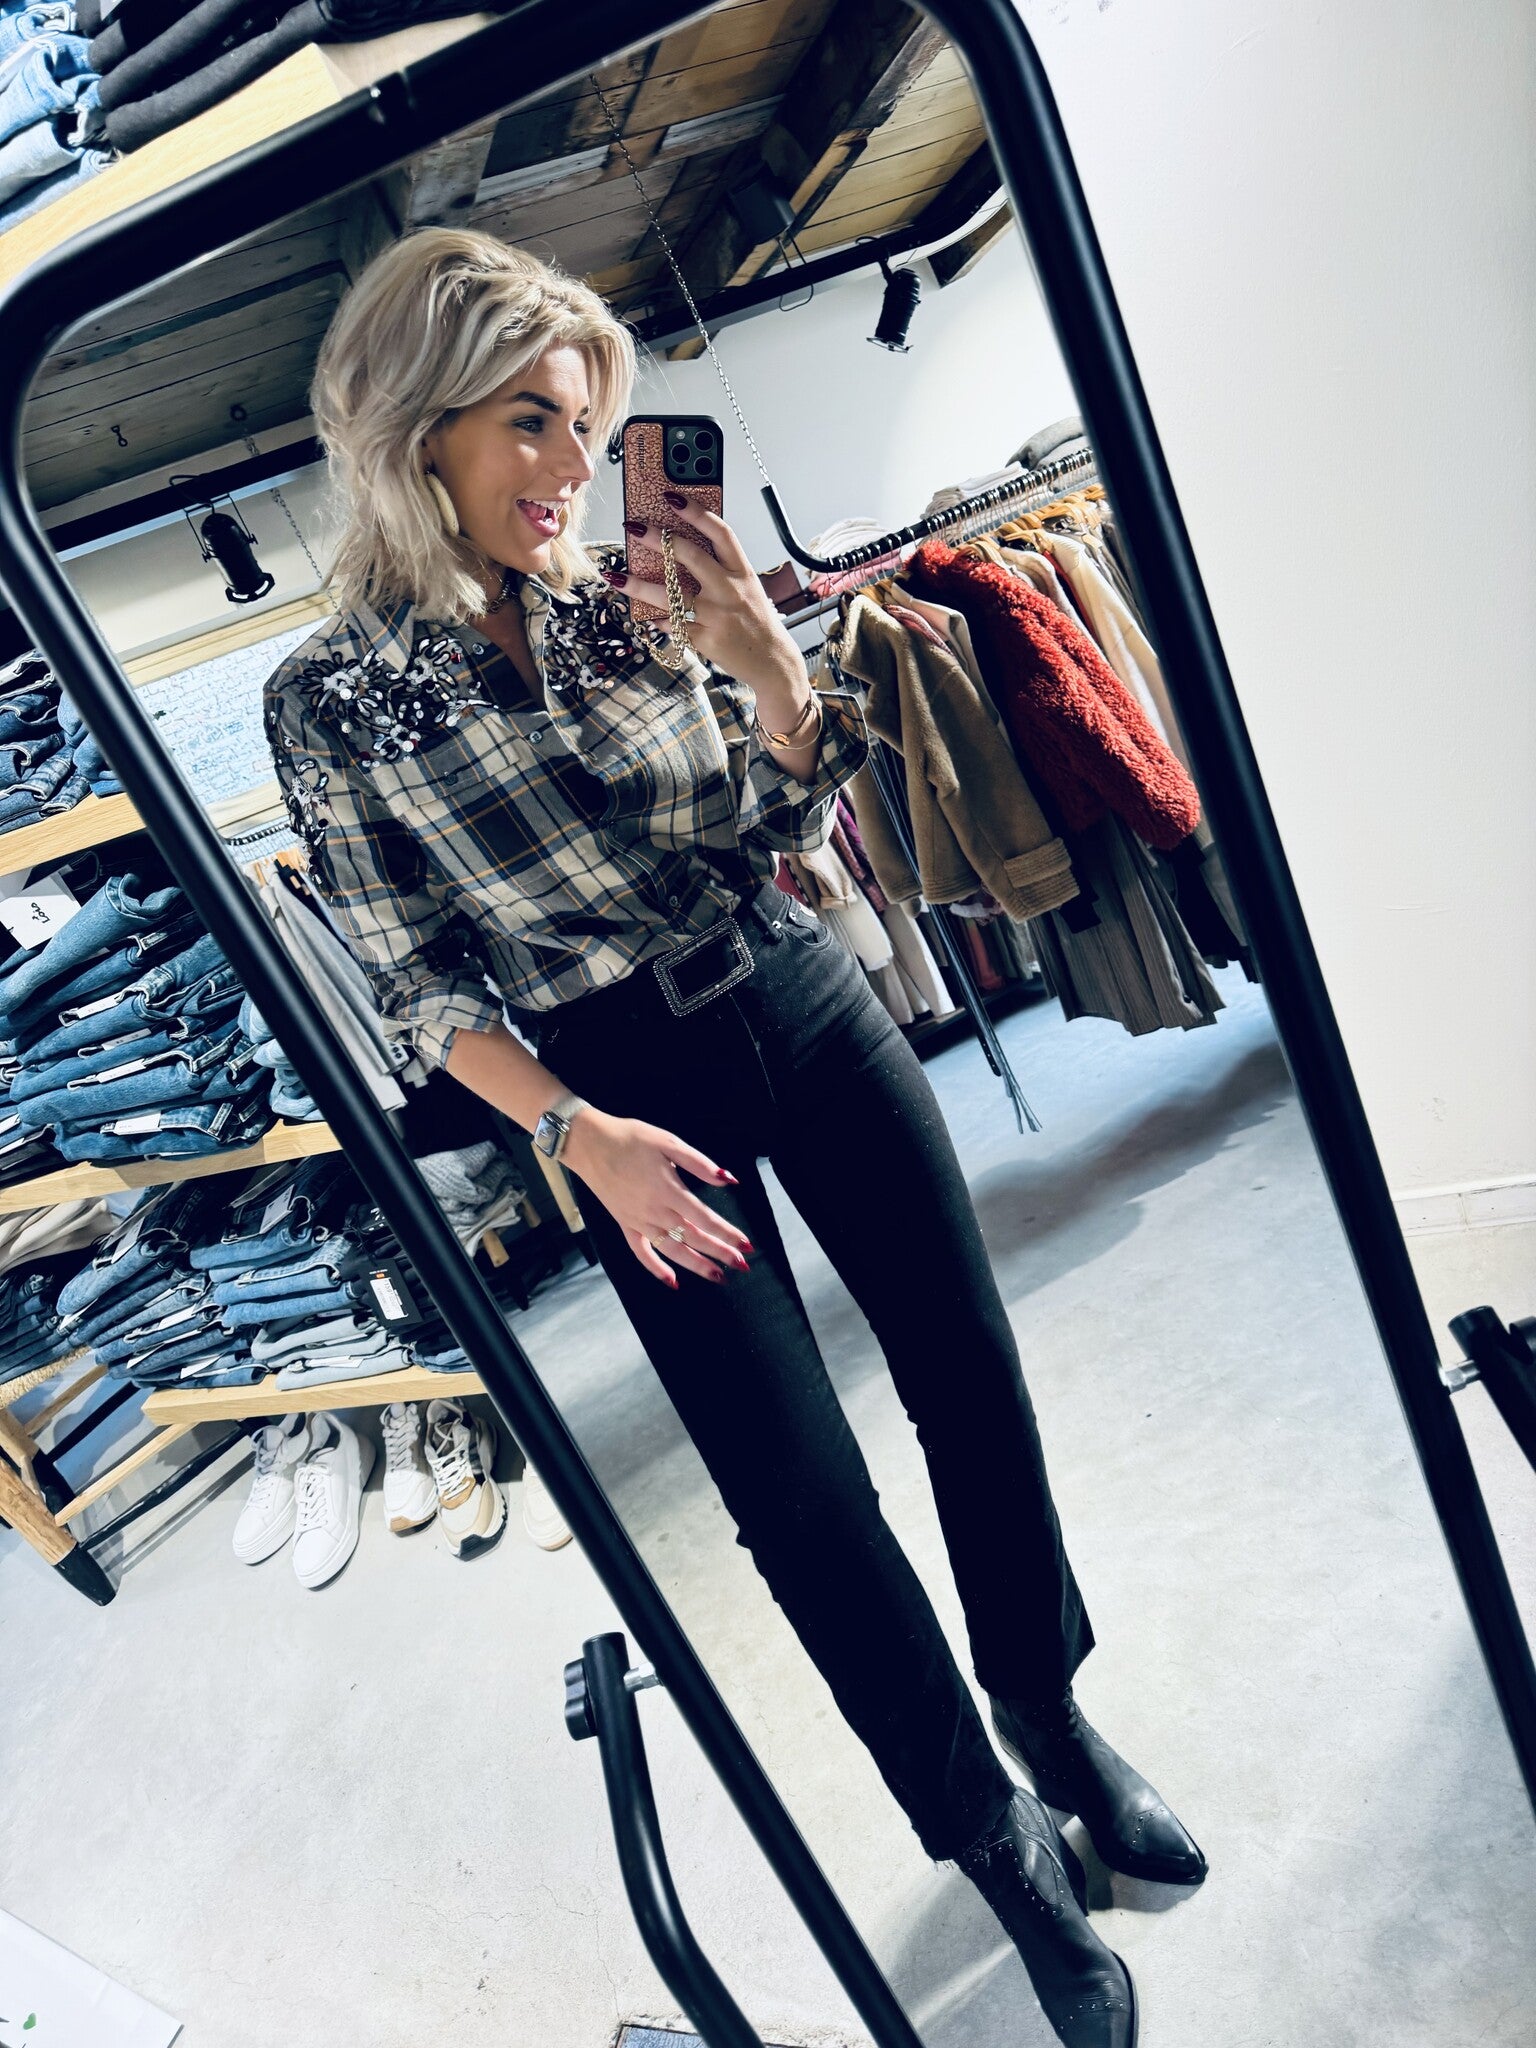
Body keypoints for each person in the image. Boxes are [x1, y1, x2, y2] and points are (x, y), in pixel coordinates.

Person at [265, 228, 1205, 2048]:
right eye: (533, 421)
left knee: (969, 1375)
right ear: (414, 425)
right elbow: (411, 981)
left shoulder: (632, 593)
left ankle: (1047, 1708)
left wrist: (771, 666)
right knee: (799, 1500)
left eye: (588, 422)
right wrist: (575, 1140)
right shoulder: (331, 701)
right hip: (618, 1098)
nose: (573, 465)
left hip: (798, 991)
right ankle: (995, 1844)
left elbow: (776, 819)